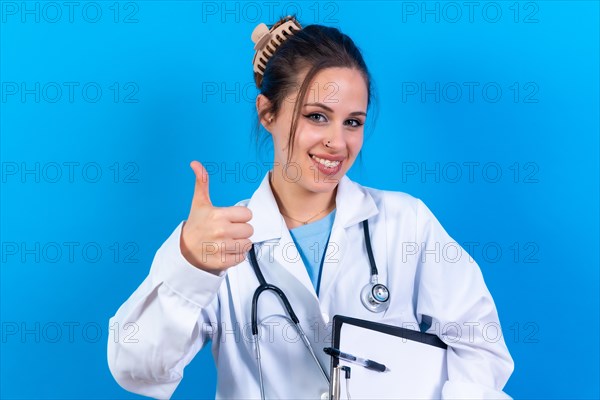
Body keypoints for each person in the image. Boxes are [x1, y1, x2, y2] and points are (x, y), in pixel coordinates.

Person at [107, 15, 514, 399]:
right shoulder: (219, 241)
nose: (337, 142)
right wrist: (191, 264)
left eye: (352, 122)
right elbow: (136, 369)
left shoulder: (406, 223)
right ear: (267, 113)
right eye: (317, 116)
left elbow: (481, 347)